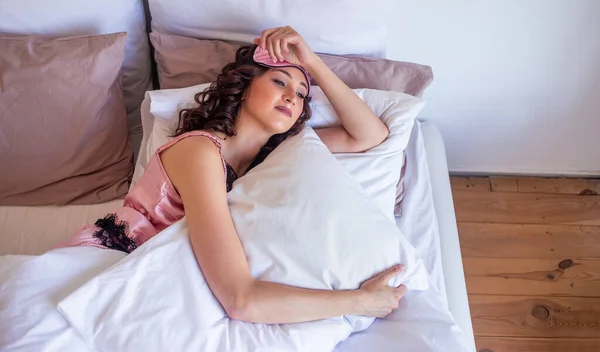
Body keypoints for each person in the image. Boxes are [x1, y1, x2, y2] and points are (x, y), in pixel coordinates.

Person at [58, 26, 408, 324]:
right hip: (111, 266)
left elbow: (369, 136)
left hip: (172, 277)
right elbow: (241, 299)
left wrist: (312, 61)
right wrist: (359, 301)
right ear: (244, 87)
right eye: (279, 82)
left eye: (302, 94)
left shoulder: (280, 157)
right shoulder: (200, 151)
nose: (292, 96)